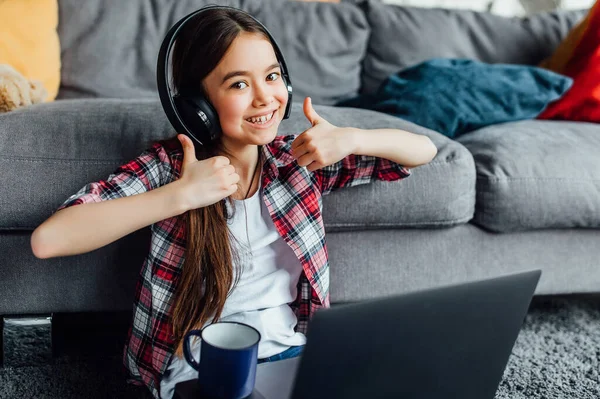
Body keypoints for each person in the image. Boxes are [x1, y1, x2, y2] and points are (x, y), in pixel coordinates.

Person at [30, 7, 437, 399]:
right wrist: (178, 196)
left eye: (272, 76)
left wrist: (354, 138)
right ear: (197, 107)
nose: (265, 98)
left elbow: (423, 151)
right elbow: (49, 239)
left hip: (290, 352)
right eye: (239, 84)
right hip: (198, 366)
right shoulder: (171, 168)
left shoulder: (295, 163)